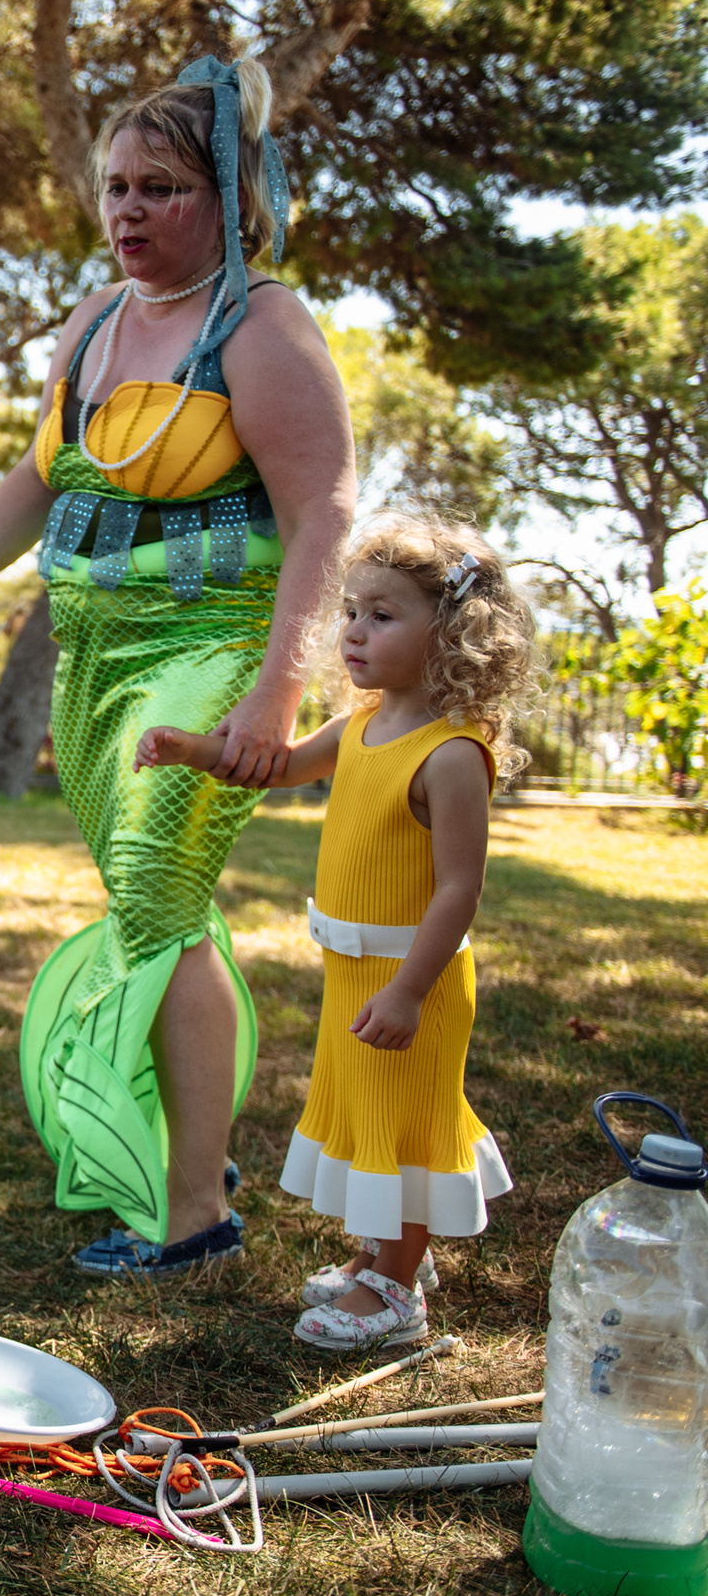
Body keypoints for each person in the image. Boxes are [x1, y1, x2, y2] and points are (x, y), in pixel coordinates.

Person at [0, 57, 357, 1276]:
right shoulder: (92, 323)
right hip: (90, 660)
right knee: (163, 910)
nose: (127, 213)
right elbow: (42, 475)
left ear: (229, 195)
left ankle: (194, 1209)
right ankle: (189, 1137)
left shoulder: (260, 326)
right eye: (113, 188)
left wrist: (276, 687)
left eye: (159, 187)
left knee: (153, 893)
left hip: (207, 652)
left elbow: (323, 514)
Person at [137, 516, 537, 1347]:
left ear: (452, 632)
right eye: (351, 611)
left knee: (408, 1121)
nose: (354, 630)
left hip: (410, 978)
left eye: (382, 615)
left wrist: (409, 990)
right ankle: (383, 1252)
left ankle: (397, 1290)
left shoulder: (453, 753)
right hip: (355, 970)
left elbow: (460, 888)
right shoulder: (361, 724)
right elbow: (279, 765)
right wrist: (194, 749)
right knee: (365, 1114)